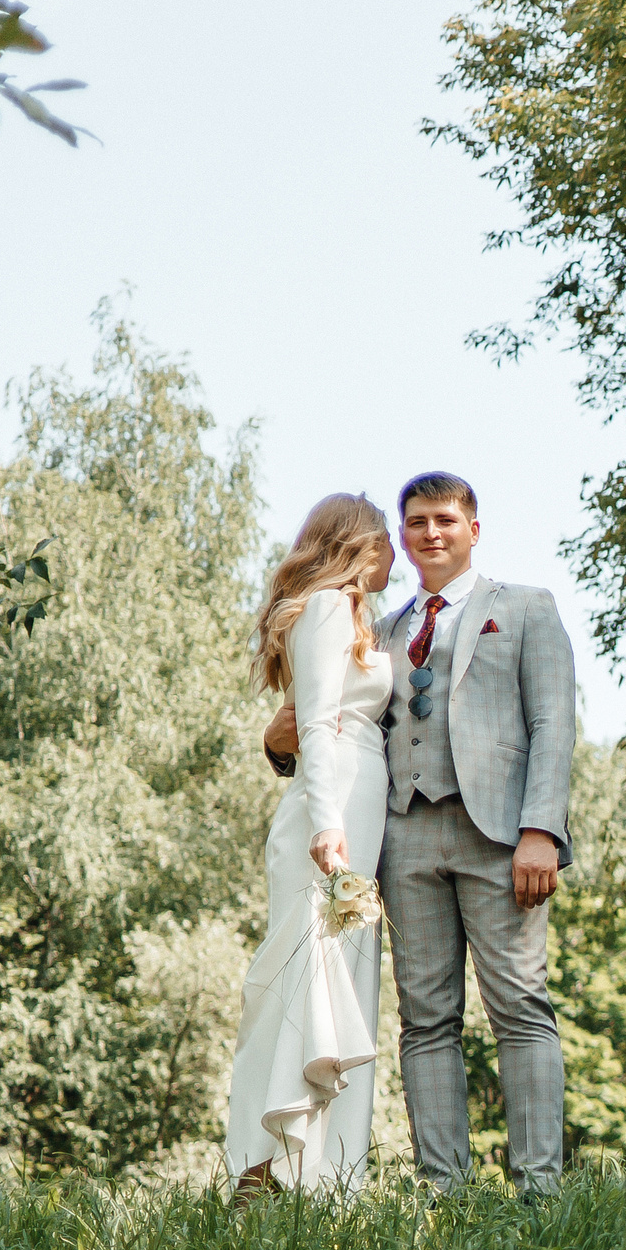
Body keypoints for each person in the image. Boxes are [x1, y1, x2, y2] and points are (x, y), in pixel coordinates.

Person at [266, 472, 577, 1194]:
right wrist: (278, 746)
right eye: (415, 522)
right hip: (403, 841)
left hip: (501, 838)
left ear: (474, 528)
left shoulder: (527, 608)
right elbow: (330, 721)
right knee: (425, 1019)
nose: (429, 532)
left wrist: (541, 830)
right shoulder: (383, 628)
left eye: (444, 518)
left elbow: (552, 725)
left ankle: (540, 1189)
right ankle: (446, 1190)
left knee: (520, 1007)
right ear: (400, 538)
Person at [226, 494, 395, 1197]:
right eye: (383, 540)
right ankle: (281, 1172)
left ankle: (323, 1179)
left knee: (343, 986)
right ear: (357, 543)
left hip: (355, 801)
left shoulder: (354, 615)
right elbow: (318, 724)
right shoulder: (328, 608)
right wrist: (329, 825)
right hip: (334, 813)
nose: (392, 556)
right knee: (313, 980)